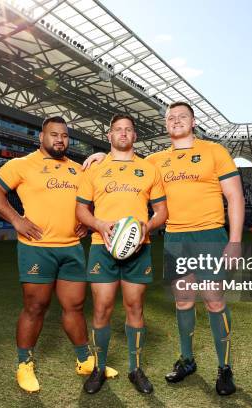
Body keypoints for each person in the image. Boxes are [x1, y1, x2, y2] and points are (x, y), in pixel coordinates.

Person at [83, 102, 245, 396]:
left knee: (213, 300)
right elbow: (126, 162)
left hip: (209, 235)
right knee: (183, 301)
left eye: (183, 116)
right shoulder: (155, 161)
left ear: (194, 121)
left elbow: (235, 197)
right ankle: (187, 360)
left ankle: (224, 368)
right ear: (165, 124)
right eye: (171, 118)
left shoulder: (214, 151)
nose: (176, 120)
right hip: (174, 237)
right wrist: (100, 156)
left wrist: (234, 241)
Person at [0, 116, 117, 393]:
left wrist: (101, 155)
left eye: (65, 136)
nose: (60, 140)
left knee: (76, 307)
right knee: (35, 307)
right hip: (37, 249)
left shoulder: (78, 170)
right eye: (54, 134)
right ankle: (24, 364)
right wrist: (16, 220)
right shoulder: (22, 164)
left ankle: (84, 360)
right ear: (41, 137)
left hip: (71, 249)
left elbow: (103, 178)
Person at [75, 114, 168, 394]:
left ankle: (135, 369)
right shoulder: (94, 169)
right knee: (102, 308)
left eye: (128, 129)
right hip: (102, 247)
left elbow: (162, 211)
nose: (123, 133)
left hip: (140, 248)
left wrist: (147, 227)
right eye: (118, 129)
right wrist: (100, 225)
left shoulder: (149, 169)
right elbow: (81, 210)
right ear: (109, 135)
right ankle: (99, 369)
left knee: (134, 308)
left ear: (135, 136)